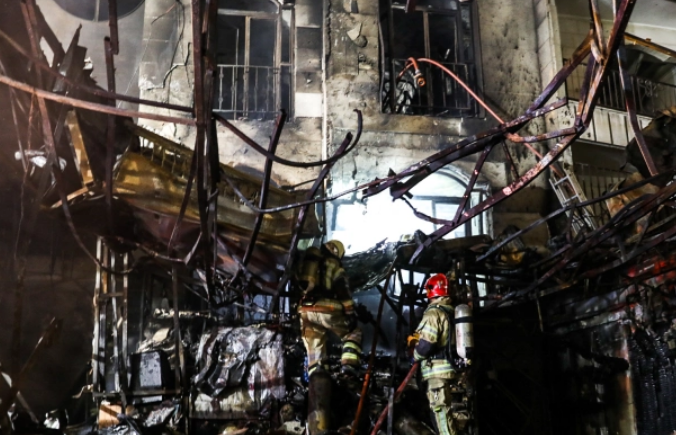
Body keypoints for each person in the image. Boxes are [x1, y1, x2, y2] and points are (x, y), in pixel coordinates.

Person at [297, 240, 362, 377]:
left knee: (315, 351)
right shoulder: (335, 265)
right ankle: (348, 366)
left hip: (305, 311)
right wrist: (350, 312)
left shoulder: (308, 262)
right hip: (327, 309)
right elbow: (342, 291)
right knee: (353, 333)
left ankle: (318, 379)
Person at [408, 273, 460, 435]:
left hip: (437, 374)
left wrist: (414, 356)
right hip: (451, 369)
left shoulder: (433, 313)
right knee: (450, 413)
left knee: (441, 414)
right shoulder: (451, 312)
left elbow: (426, 346)